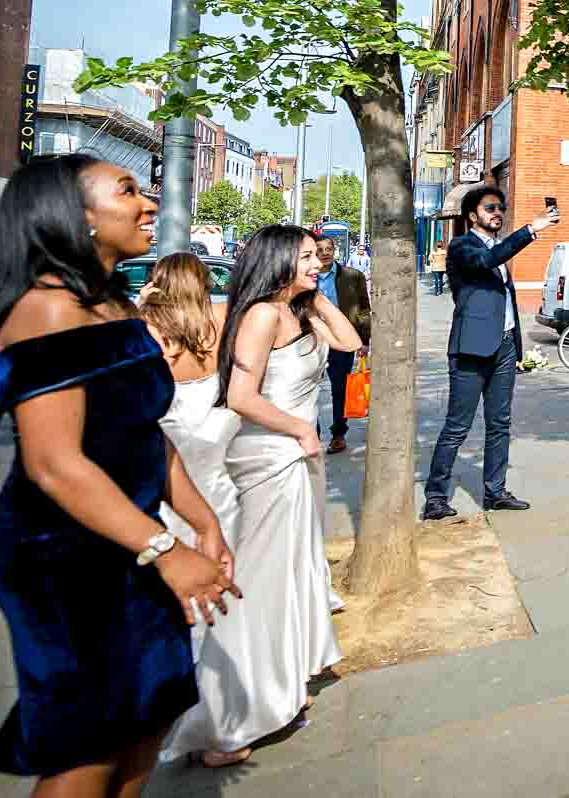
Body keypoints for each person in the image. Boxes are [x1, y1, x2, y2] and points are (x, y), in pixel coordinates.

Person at [0, 155, 239, 794]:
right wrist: (165, 551)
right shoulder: (47, 308)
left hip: (131, 542)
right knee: (89, 744)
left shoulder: (114, 305)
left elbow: (144, 430)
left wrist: (203, 520)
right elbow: (54, 465)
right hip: (62, 555)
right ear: (77, 218)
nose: (148, 203)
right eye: (128, 190)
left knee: (148, 714)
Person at [195, 226, 362, 757]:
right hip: (268, 456)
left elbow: (352, 342)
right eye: (308, 257)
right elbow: (241, 395)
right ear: (279, 261)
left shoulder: (298, 310)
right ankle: (227, 721)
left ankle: (283, 683)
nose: (319, 263)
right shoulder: (263, 314)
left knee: (294, 572)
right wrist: (299, 429)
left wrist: (313, 298)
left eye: (318, 256)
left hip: (297, 456)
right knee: (259, 581)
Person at [140, 255, 250, 768]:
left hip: (173, 484)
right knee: (221, 607)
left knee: (178, 611)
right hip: (217, 485)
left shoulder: (147, 331)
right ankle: (218, 729)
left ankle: (176, 720)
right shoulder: (223, 320)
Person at [421, 186, 559, 519]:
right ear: (472, 215)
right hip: (471, 349)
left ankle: (495, 491)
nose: (497, 212)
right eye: (490, 208)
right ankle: (436, 497)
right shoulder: (461, 247)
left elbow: (504, 297)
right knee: (457, 425)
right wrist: (530, 229)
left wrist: (518, 348)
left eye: (501, 208)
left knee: (500, 423)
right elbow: (485, 261)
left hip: (505, 347)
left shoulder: (498, 248)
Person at [312, 235, 371, 455]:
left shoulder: (352, 276)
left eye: (329, 249)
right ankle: (313, 433)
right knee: (309, 389)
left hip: (342, 341)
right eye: (320, 249)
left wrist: (364, 340)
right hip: (312, 340)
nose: (325, 253)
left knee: (341, 389)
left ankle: (338, 434)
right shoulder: (306, 276)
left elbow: (364, 309)